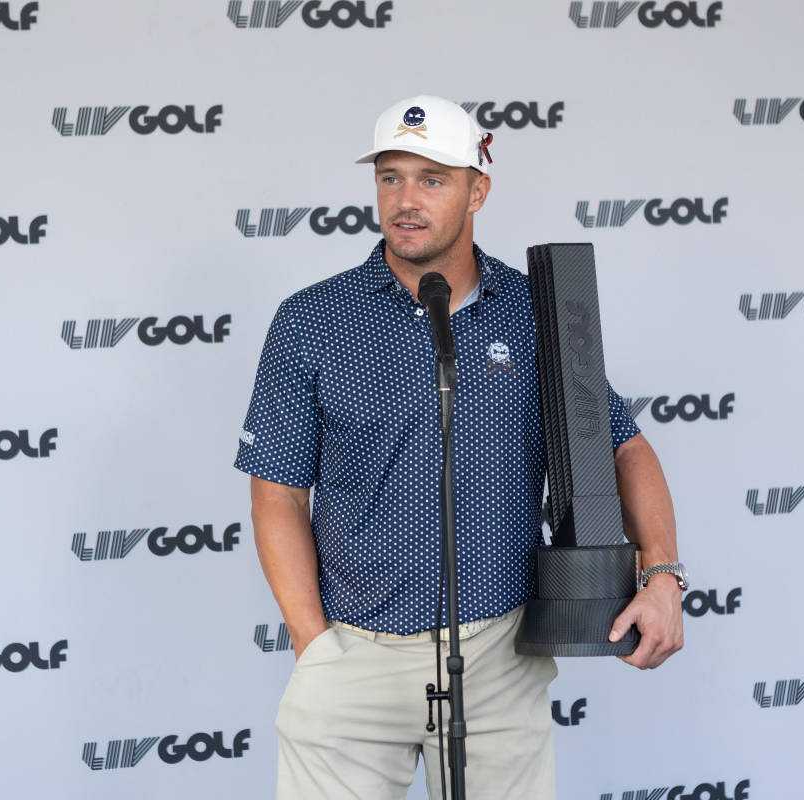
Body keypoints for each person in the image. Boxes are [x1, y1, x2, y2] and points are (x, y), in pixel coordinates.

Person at [235, 95, 683, 800]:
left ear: (479, 189)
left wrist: (662, 574)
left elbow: (623, 447)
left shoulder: (536, 310)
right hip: (355, 656)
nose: (405, 200)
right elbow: (278, 492)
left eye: (432, 179)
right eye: (390, 177)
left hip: (501, 657)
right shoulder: (311, 320)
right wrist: (314, 645)